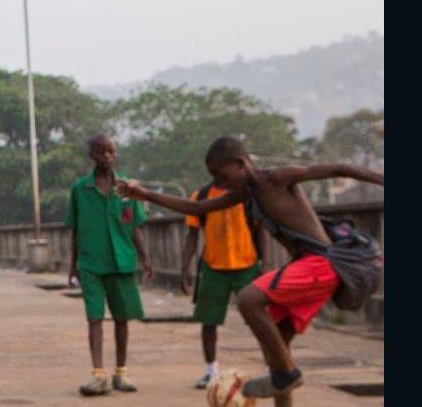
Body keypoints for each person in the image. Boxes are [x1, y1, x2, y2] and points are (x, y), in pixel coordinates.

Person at [117, 136, 385, 405]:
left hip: (321, 264)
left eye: (222, 176)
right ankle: (284, 376)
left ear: (241, 163)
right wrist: (146, 195)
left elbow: (340, 168)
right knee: (276, 353)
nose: (220, 184)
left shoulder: (277, 178)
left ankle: (288, 374)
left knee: (248, 300)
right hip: (310, 268)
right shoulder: (246, 194)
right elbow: (197, 208)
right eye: (215, 179)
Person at [65, 134, 153, 397]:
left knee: (122, 318)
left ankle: (121, 372)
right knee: (94, 317)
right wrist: (73, 265)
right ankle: (98, 375)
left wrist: (145, 257)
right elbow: (75, 230)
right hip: (91, 263)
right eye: (101, 152)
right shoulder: (80, 189)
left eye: (110, 152)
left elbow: (134, 227)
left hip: (122, 261)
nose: (106, 157)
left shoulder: (127, 189)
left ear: (115, 154)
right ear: (91, 155)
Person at [181, 180, 266, 389]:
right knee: (208, 322)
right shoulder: (201, 196)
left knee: (262, 322)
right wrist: (185, 267)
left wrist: (264, 263)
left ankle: (273, 369)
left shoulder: (247, 195)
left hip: (247, 265)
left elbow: (260, 229)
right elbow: (192, 234)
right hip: (214, 267)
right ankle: (211, 371)